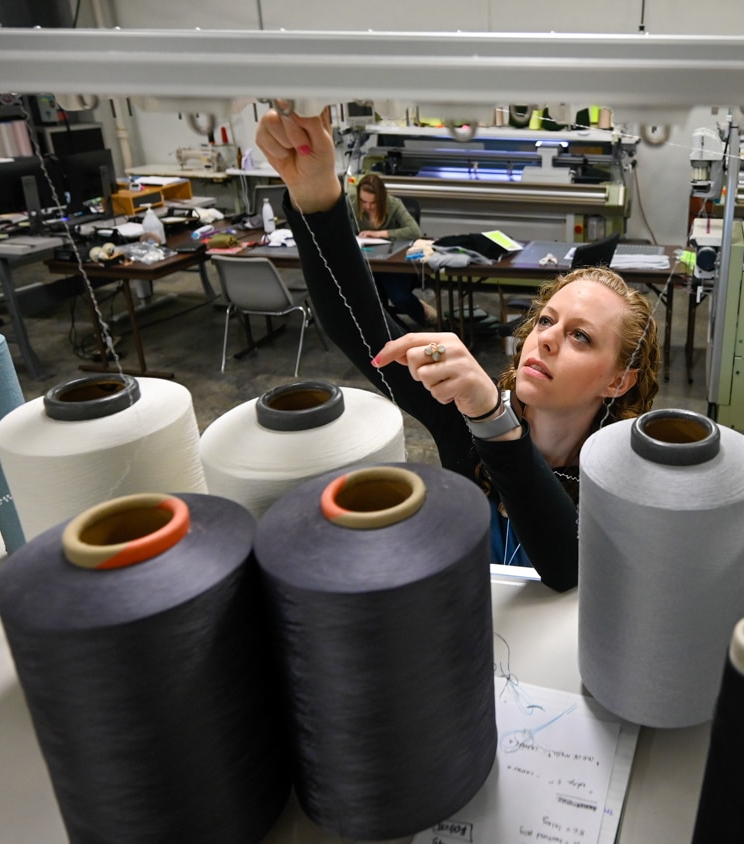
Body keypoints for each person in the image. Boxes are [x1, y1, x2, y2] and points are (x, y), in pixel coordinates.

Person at [256, 108, 660, 592]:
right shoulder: (465, 415)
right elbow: (358, 328)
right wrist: (318, 199)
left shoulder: (623, 474)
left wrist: (492, 419)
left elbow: (568, 569)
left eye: (581, 336)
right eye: (546, 321)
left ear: (618, 380)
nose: (547, 337)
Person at [352, 172, 436, 326]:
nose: (368, 206)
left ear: (382, 199)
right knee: (368, 298)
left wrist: (380, 234)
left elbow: (414, 231)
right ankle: (394, 329)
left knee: (399, 297)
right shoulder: (351, 204)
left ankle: (425, 316)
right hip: (367, 262)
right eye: (364, 201)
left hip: (393, 264)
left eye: (373, 203)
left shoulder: (394, 204)